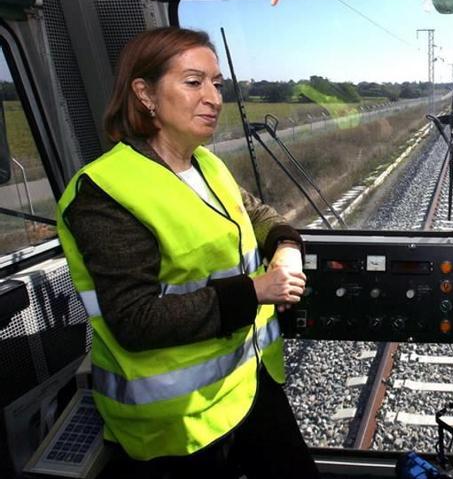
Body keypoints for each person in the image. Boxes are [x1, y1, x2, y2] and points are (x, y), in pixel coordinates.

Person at [56, 27, 319, 478]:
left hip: (249, 385)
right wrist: (256, 291)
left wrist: (287, 245)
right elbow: (135, 319)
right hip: (177, 427)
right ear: (145, 94)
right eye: (194, 82)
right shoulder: (106, 192)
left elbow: (256, 213)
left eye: (217, 84)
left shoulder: (206, 164)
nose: (214, 98)